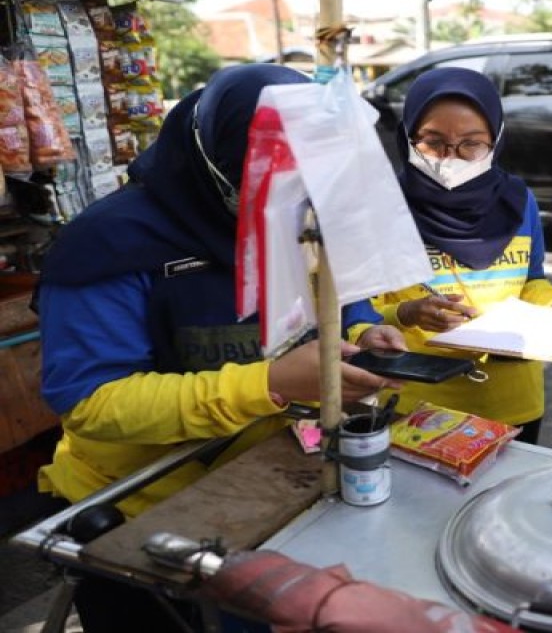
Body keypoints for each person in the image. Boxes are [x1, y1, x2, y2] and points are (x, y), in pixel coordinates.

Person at [36, 64, 405, 632]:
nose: (294, 213)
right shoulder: (108, 244)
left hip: (268, 486)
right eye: (273, 190)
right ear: (216, 165)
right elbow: (92, 403)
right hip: (140, 513)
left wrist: (360, 332)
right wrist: (270, 385)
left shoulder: (301, 214)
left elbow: (339, 291)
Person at [368, 67, 552, 444]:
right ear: (407, 137)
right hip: (418, 401)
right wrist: (406, 313)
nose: (452, 157)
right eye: (433, 142)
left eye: (471, 143)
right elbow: (361, 311)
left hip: (513, 399)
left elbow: (532, 281)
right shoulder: (382, 207)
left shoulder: (518, 201)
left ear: (496, 139)